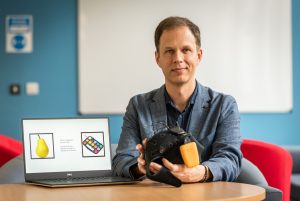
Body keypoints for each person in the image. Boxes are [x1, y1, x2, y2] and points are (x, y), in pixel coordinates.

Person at [112, 16, 242, 183]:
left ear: (199, 56)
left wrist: (200, 172)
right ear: (157, 58)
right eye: (169, 51)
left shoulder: (224, 105)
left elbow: (230, 160)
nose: (178, 59)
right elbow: (121, 160)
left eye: (186, 50)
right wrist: (140, 167)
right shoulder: (138, 105)